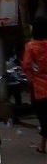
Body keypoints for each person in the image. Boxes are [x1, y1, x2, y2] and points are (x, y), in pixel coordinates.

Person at [22, 16, 47, 154]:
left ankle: (42, 145)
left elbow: (26, 65)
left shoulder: (31, 46)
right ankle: (42, 145)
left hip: (40, 88)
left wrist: (31, 79)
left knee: (43, 117)